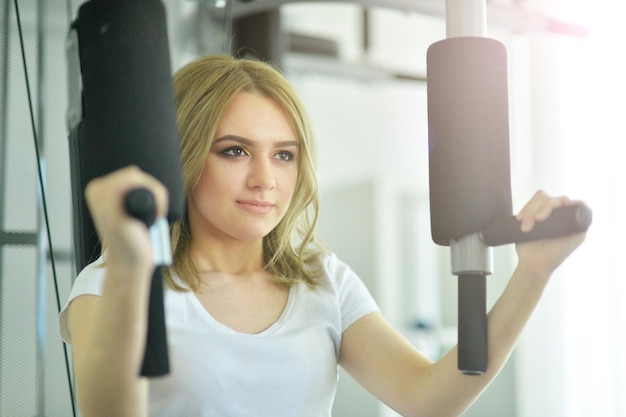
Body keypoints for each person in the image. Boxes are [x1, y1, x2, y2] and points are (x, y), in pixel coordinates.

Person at [59, 54, 586, 417]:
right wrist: (133, 266)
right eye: (235, 151)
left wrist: (532, 275)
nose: (265, 178)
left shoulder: (322, 282)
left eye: (283, 155)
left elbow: (431, 399)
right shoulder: (111, 282)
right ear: (185, 158)